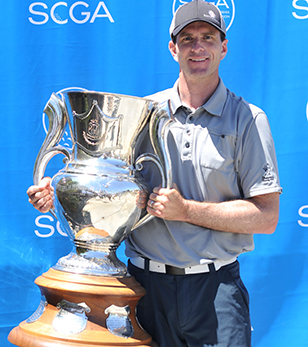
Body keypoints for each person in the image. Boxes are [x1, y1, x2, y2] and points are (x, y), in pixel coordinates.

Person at [27, 1, 282, 346]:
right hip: (143, 290)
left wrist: (187, 211)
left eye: (208, 37)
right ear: (172, 48)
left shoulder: (248, 119)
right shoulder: (141, 114)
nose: (198, 47)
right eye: (187, 38)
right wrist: (57, 193)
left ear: (223, 47)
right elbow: (104, 189)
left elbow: (266, 217)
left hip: (216, 291)